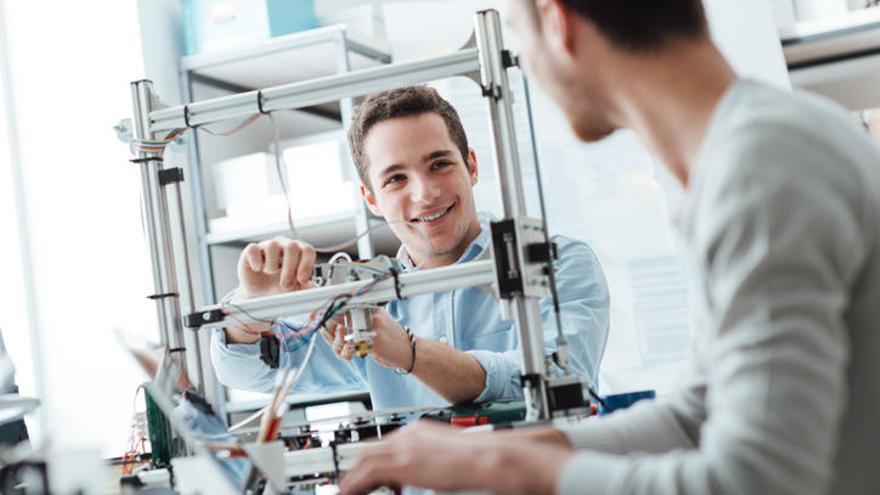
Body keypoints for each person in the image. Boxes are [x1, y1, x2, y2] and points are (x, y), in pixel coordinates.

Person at [339, 1, 880, 494]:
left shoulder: (759, 171)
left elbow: (756, 479)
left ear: (559, 23)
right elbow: (695, 413)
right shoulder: (750, 148)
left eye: (521, 44)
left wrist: (504, 468)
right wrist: (497, 448)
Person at [211, 85, 610, 411]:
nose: (425, 193)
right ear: (371, 199)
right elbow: (249, 372)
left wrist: (408, 351)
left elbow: (557, 381)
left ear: (471, 166)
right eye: (396, 179)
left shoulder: (556, 264)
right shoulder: (368, 303)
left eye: (439, 164)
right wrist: (253, 309)